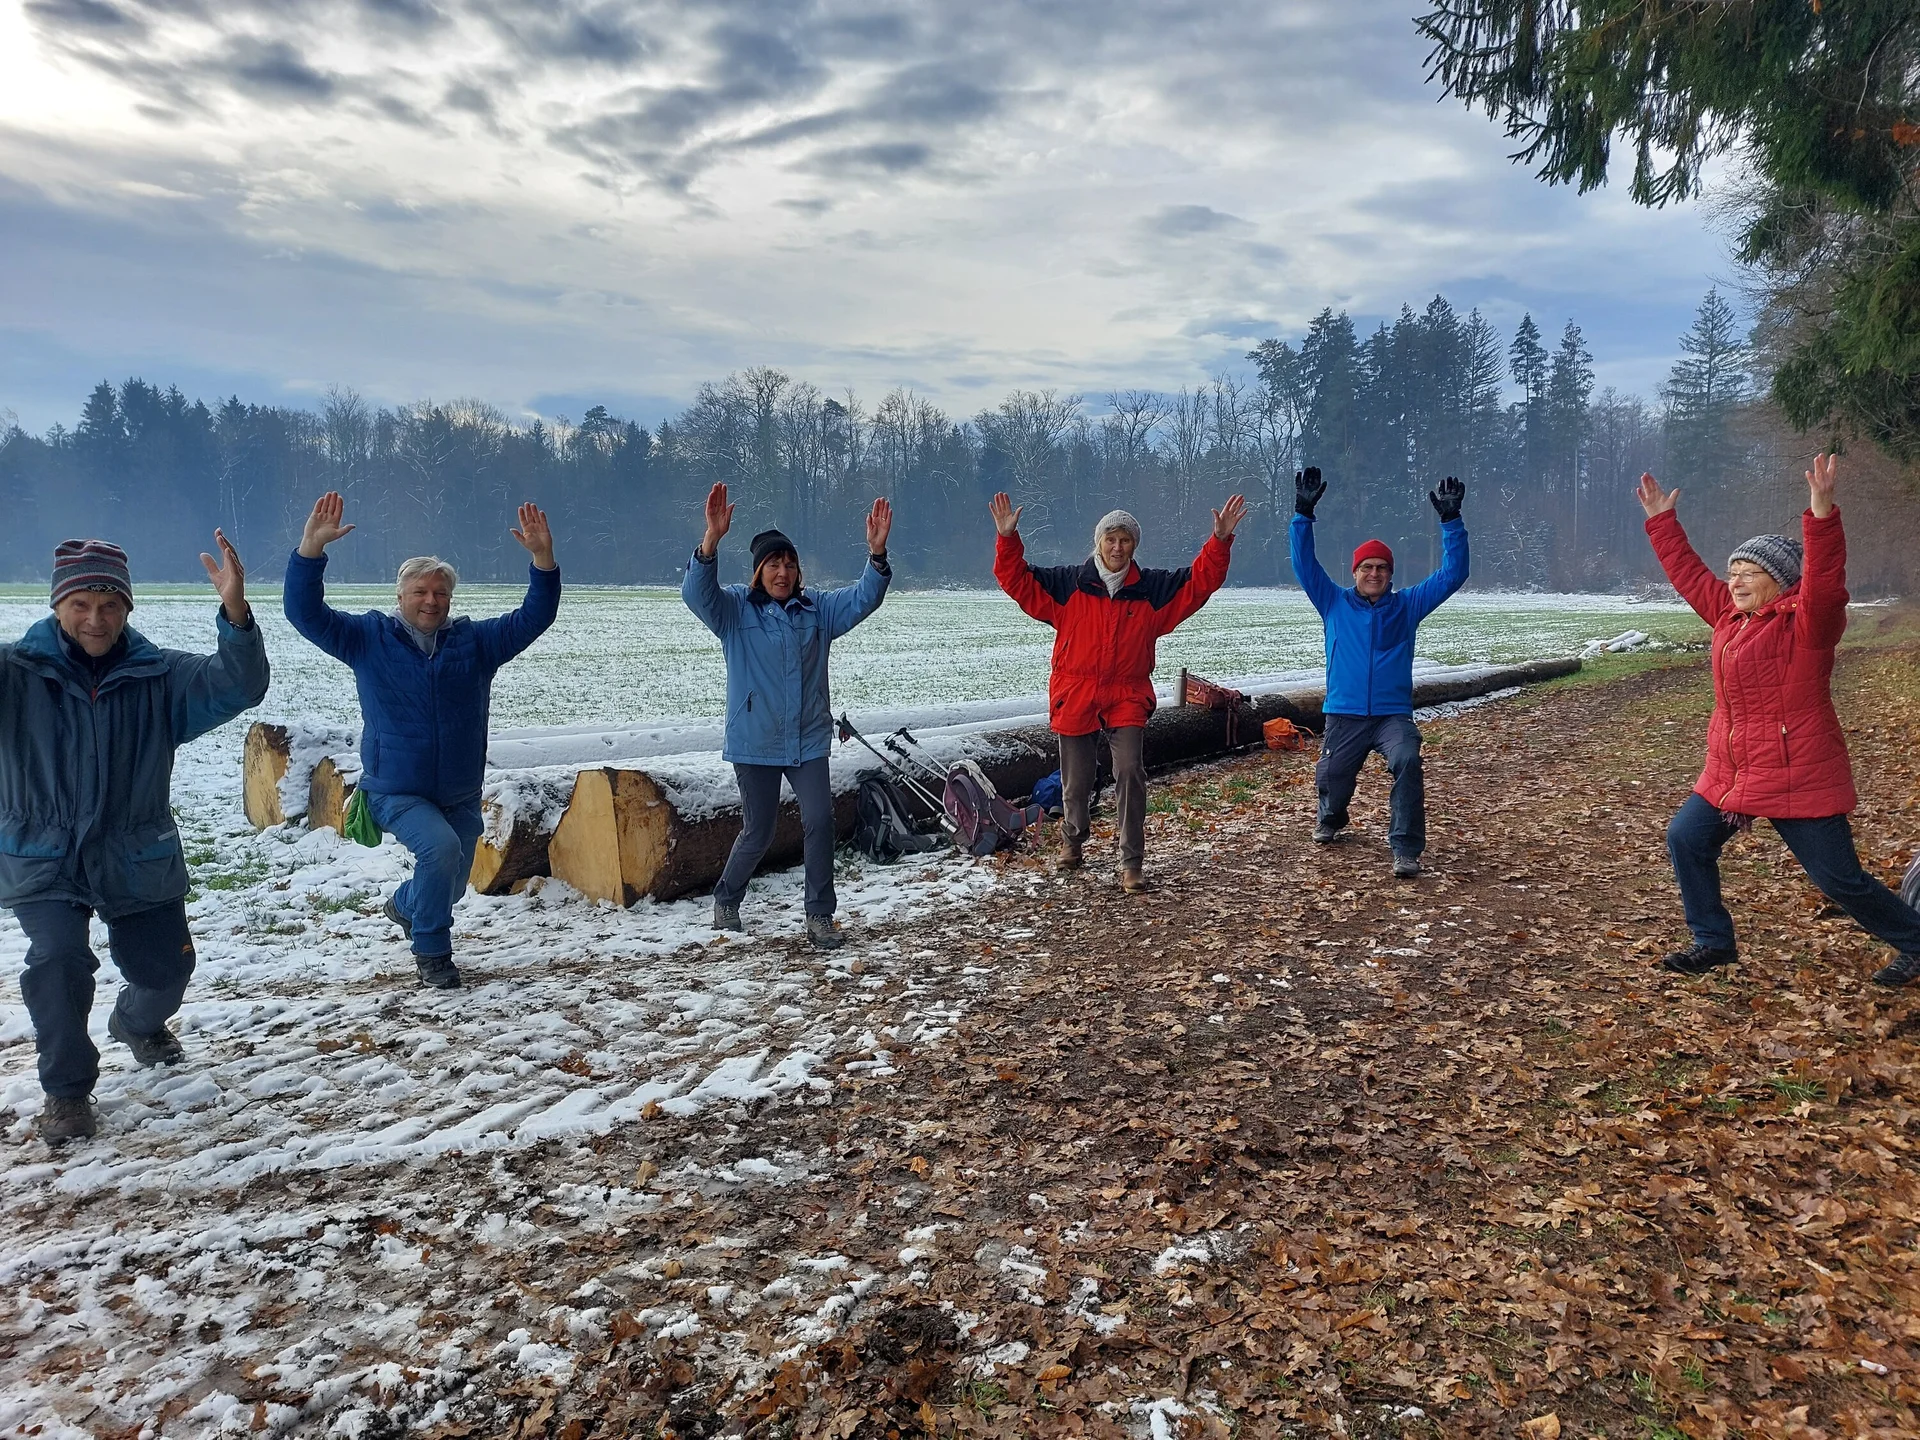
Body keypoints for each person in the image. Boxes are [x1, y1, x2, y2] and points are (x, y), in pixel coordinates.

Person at [2, 534, 269, 1144]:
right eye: (81, 605)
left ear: (126, 609)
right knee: (57, 961)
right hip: (43, 854)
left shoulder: (160, 675)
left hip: (135, 851)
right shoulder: (14, 673)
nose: (95, 620)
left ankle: (136, 1022)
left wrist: (235, 613)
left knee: (166, 972)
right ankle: (66, 1093)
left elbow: (238, 684)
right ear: (57, 605)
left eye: (109, 606)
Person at [1638, 455, 1920, 986]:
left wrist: (1821, 514)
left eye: (1750, 573)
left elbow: (1826, 582)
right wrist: (1661, 521)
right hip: (1734, 772)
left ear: (1782, 581)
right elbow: (1688, 574)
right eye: (1734, 572)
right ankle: (1713, 942)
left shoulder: (1808, 625)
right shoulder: (1729, 614)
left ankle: (1916, 940)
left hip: (1798, 773)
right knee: (1686, 839)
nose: (1736, 581)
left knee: (1839, 880)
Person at [284, 493, 560, 989]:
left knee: (450, 886)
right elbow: (305, 613)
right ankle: (433, 952)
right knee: (439, 852)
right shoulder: (368, 638)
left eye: (440, 593)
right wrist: (310, 551)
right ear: (400, 595)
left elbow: (533, 618)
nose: (430, 601)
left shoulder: (476, 644)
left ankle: (405, 905)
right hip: (396, 788)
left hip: (457, 790)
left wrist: (543, 561)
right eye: (420, 592)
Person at [990, 491, 1247, 892]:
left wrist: (1220, 541)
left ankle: (1131, 861)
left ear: (1134, 546)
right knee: (1075, 782)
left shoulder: (1153, 591)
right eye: (1110, 538)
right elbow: (1016, 580)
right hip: (1075, 693)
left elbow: (1201, 582)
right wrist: (1007, 538)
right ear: (1099, 543)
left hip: (1127, 694)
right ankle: (1073, 841)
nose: (1117, 546)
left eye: (1125, 539)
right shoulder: (1066, 585)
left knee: (1129, 771)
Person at [683, 483, 892, 949]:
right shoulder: (735, 609)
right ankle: (726, 898)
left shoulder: (817, 609)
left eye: (790, 564)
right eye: (774, 564)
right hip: (755, 741)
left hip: (808, 739)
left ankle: (819, 915)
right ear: (759, 571)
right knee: (759, 830)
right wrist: (710, 543)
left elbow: (863, 598)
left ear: (798, 571)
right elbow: (697, 595)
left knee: (819, 820)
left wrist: (876, 556)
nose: (783, 571)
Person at [1291, 466, 1470, 878]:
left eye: (1382, 568)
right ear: (1354, 572)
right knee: (1333, 777)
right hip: (1345, 714)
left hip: (1392, 715)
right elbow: (1304, 564)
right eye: (1366, 567)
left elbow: (1453, 574)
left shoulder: (1407, 606)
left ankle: (1405, 847)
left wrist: (1451, 521)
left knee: (1407, 759)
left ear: (1391, 575)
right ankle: (1332, 817)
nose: (1374, 574)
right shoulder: (1332, 602)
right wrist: (1303, 513)